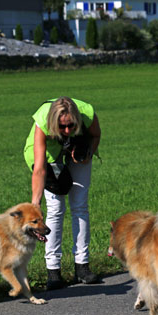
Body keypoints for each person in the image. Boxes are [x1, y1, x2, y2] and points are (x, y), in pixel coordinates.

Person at [24, 97, 101, 290]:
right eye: (62, 127)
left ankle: (82, 267)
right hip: (49, 156)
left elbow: (96, 135)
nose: (67, 130)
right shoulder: (42, 122)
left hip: (78, 148)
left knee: (80, 205)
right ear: (53, 123)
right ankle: (53, 271)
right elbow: (40, 168)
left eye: (71, 125)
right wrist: (35, 204)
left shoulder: (87, 113)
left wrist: (88, 152)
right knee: (56, 208)